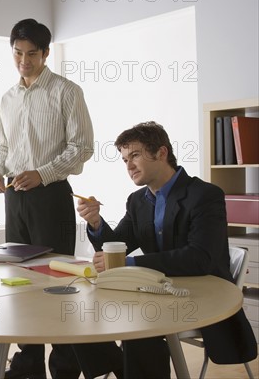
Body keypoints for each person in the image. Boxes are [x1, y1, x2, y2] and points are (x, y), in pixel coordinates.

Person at [0, 18, 122, 379]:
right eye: (17, 53)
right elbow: (2, 147)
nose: (23, 61)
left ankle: (66, 364)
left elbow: (82, 148)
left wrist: (43, 173)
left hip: (51, 196)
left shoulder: (66, 91)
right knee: (19, 279)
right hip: (14, 197)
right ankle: (27, 362)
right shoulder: (7, 98)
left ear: (46, 54)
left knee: (54, 279)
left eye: (32, 54)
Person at [77, 121, 258, 378]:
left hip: (201, 298)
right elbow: (118, 245)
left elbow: (199, 259)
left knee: (137, 327)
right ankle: (122, 369)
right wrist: (95, 221)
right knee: (84, 312)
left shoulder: (205, 195)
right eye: (124, 159)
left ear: (161, 153)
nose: (128, 166)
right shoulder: (138, 201)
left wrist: (128, 265)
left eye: (135, 155)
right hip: (156, 293)